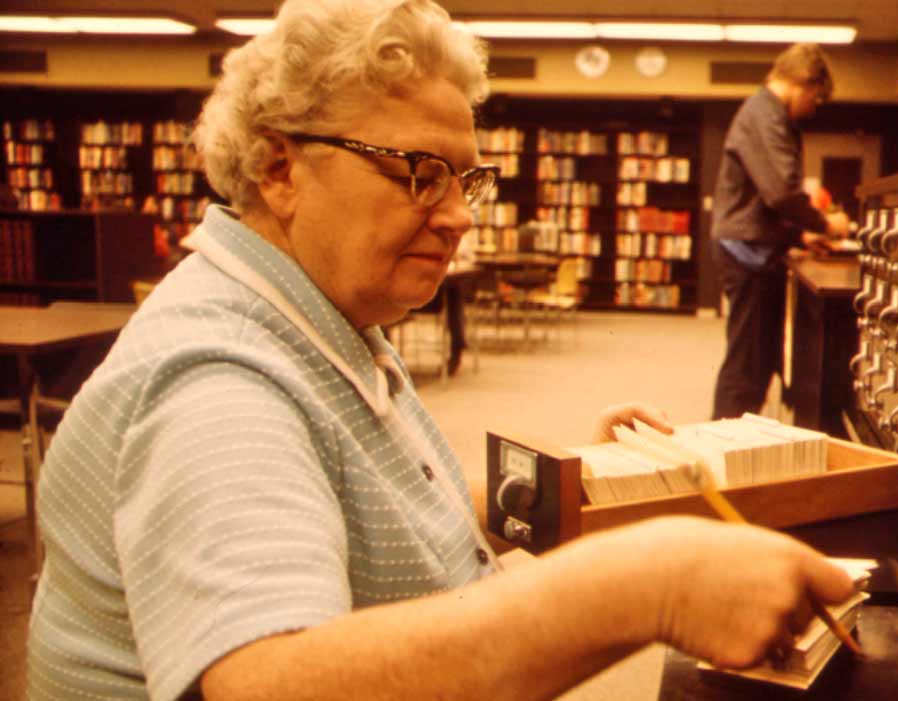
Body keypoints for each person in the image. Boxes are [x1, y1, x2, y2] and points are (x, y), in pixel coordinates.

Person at [27, 3, 855, 700]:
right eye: (421, 172)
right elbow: (269, 680)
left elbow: (380, 509)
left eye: (466, 180)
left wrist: (565, 480)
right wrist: (650, 585)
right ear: (281, 168)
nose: (460, 216)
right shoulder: (216, 383)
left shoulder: (312, 312)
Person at [710, 43, 852, 420]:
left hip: (753, 247)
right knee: (747, 366)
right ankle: (723, 454)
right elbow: (781, 192)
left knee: (757, 362)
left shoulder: (765, 114)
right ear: (805, 84)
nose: (814, 107)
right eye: (817, 98)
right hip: (747, 253)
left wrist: (800, 236)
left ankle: (741, 449)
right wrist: (826, 224)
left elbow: (764, 196)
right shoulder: (765, 114)